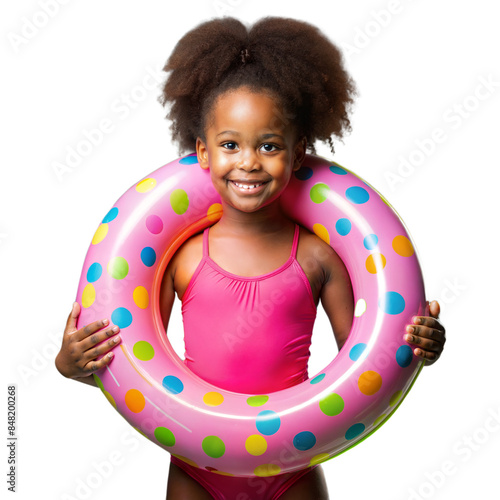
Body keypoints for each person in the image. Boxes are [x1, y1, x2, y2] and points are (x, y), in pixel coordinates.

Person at [55, 17, 446, 500]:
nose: (248, 162)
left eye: (268, 145)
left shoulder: (318, 257)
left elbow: (369, 359)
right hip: (197, 463)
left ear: (298, 153)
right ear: (202, 152)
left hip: (294, 464)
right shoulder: (183, 257)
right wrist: (73, 364)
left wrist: (419, 347)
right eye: (229, 145)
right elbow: (132, 364)